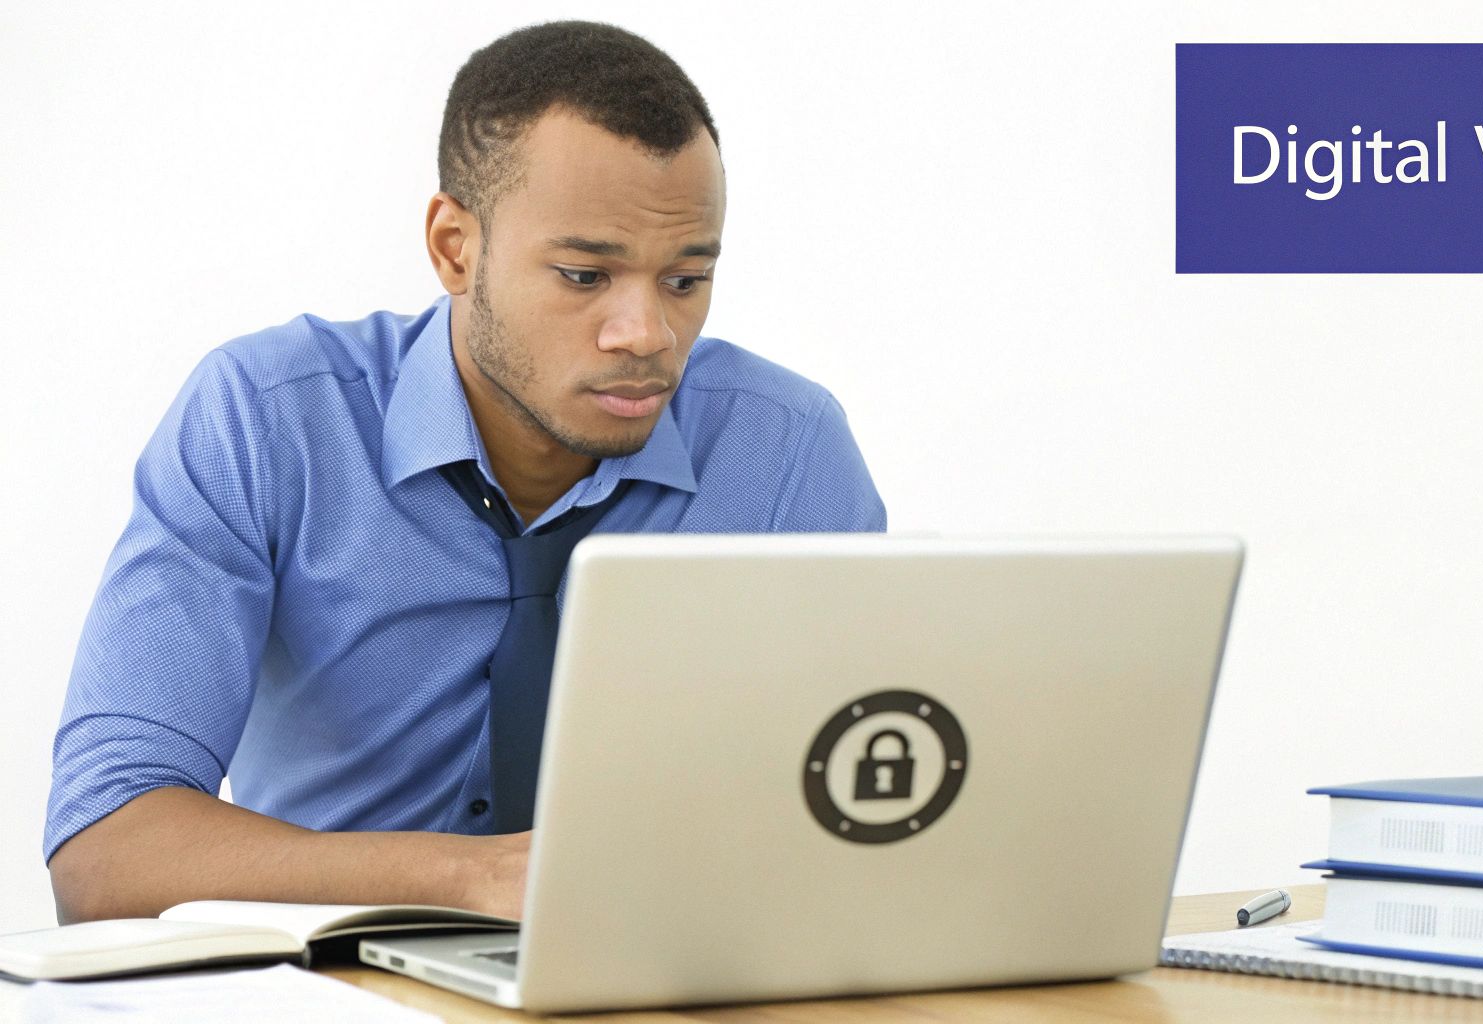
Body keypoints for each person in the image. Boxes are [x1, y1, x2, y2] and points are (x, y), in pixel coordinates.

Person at [44, 20, 885, 925]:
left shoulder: (787, 448)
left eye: (684, 280)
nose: (646, 333)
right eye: (583, 275)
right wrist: (472, 878)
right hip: (329, 988)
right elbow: (107, 852)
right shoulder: (270, 417)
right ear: (454, 247)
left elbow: (881, 802)